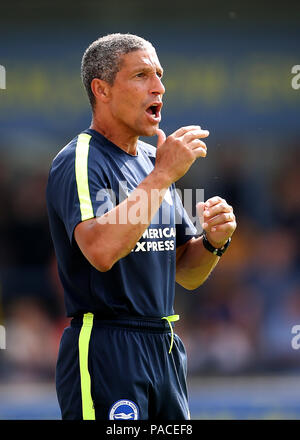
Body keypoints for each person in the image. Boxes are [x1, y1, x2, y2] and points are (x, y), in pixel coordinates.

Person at [46, 33, 236, 420]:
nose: (159, 87)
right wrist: (162, 176)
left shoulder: (154, 160)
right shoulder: (80, 159)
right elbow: (100, 252)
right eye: (142, 75)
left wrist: (215, 242)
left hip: (164, 344)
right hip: (106, 344)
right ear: (102, 89)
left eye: (160, 75)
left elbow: (185, 271)